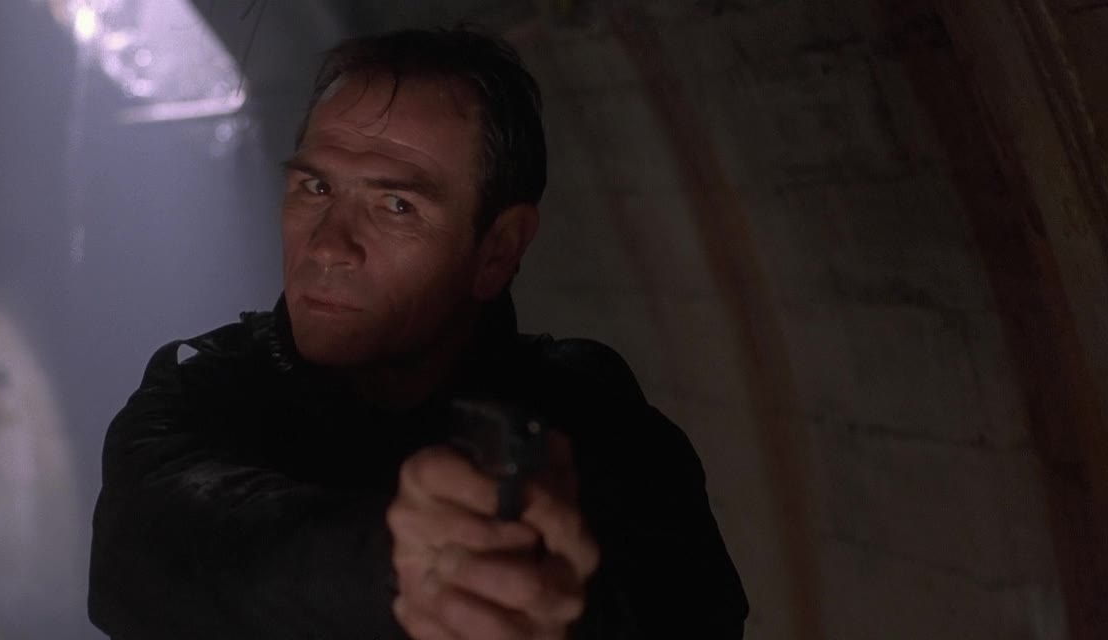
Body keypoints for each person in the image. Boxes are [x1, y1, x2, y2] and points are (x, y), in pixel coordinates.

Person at [88, 27, 748, 639]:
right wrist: (394, 562)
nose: (328, 246)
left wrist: (553, 586)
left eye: (396, 205)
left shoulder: (587, 414)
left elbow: (691, 605)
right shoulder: (203, 392)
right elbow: (148, 552)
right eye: (316, 188)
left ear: (497, 250)